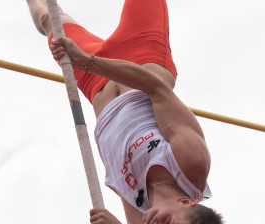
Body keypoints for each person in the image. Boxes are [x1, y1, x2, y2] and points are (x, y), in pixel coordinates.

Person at [27, 0, 224, 223]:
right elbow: (155, 87)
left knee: (47, 19)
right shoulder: (191, 166)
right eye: (168, 223)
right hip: (141, 55)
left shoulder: (138, 217)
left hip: (94, 82)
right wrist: (87, 61)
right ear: (186, 202)